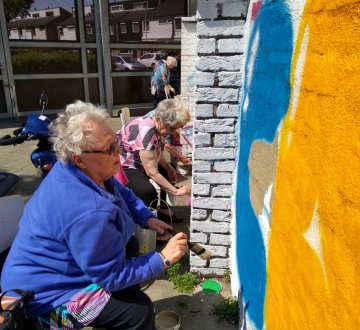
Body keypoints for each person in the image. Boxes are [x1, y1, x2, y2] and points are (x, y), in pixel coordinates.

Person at [0, 100, 188, 330]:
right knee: (138, 312)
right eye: (109, 149)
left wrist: (146, 217)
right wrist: (162, 259)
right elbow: (110, 276)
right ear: (79, 157)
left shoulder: (78, 168)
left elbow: (121, 192)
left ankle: (115, 307)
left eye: (116, 143)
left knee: (128, 245)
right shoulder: (88, 210)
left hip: (45, 271)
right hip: (42, 301)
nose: (119, 152)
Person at [118, 97, 191, 224]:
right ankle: (145, 225)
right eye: (172, 128)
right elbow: (152, 172)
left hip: (138, 162)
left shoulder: (158, 126)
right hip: (123, 167)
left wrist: (169, 168)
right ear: (159, 120)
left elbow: (154, 154)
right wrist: (176, 191)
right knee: (147, 192)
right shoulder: (147, 131)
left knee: (168, 169)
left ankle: (164, 211)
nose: (173, 132)